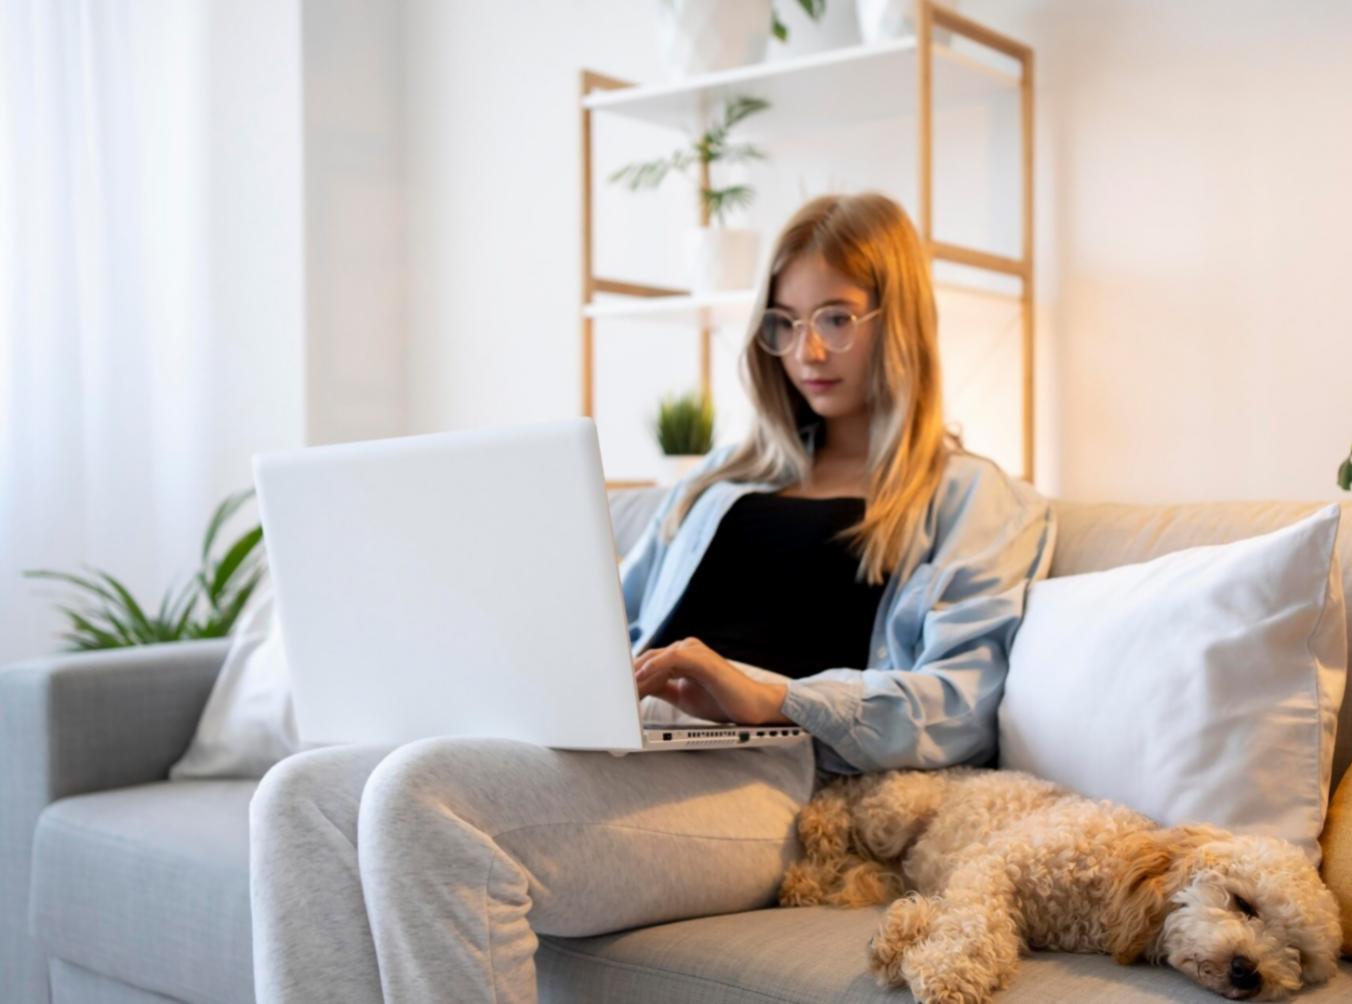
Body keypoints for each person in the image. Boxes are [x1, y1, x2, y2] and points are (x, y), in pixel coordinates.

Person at [249, 191, 1054, 1003]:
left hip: (771, 778)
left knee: (422, 795)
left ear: (899, 321)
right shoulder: (712, 488)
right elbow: (606, 625)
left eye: (835, 318)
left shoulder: (968, 498)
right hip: (630, 743)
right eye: (783, 321)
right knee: (299, 796)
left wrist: (770, 694)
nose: (805, 349)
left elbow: (960, 706)